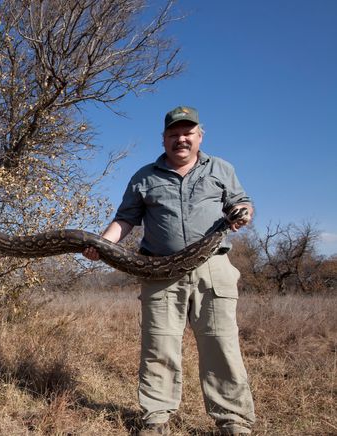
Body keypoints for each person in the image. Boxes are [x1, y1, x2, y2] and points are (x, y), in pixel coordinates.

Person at [83, 106, 255, 435]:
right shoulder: (144, 176)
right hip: (159, 270)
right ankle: (156, 417)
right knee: (158, 346)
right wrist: (102, 244)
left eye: (187, 133)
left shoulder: (220, 168)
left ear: (199, 136)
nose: (181, 139)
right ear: (163, 139)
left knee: (222, 344)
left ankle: (233, 420)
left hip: (213, 266)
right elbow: (125, 219)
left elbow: (243, 202)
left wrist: (242, 213)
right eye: (174, 134)